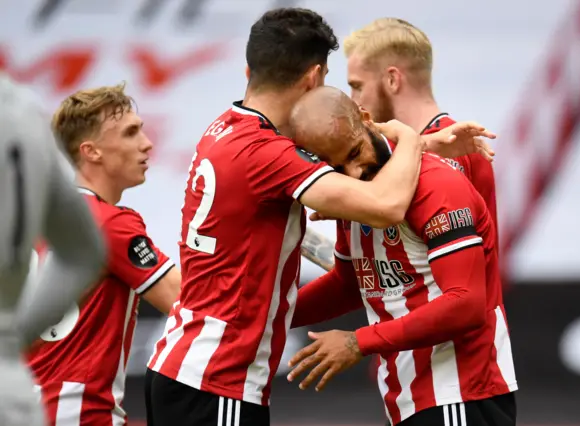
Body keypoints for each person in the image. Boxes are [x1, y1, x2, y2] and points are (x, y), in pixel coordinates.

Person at [145, 7, 496, 426]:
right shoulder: (271, 154)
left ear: (248, 71)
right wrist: (409, 140)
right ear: (313, 78)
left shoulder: (223, 129)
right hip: (217, 377)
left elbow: (355, 163)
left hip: (184, 364)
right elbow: (385, 205)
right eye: (335, 82)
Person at [287, 86, 517, 426]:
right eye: (337, 167)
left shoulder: (436, 184)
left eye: (355, 152)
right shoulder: (354, 198)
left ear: (366, 120)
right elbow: (351, 285)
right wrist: (271, 314)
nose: (354, 173)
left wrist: (357, 342)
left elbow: (465, 303)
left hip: (460, 394)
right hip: (409, 399)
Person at [26, 83, 181, 426]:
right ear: (91, 151)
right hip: (78, 413)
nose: (147, 143)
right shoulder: (109, 222)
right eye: (131, 133)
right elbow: (187, 302)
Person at [0, 76, 105, 426]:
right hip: (11, 388)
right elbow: (82, 253)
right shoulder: (21, 108)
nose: (147, 145)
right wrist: (11, 340)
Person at [344, 18, 498, 238]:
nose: (353, 101)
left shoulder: (455, 151)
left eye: (358, 86)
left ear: (392, 80)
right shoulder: (394, 149)